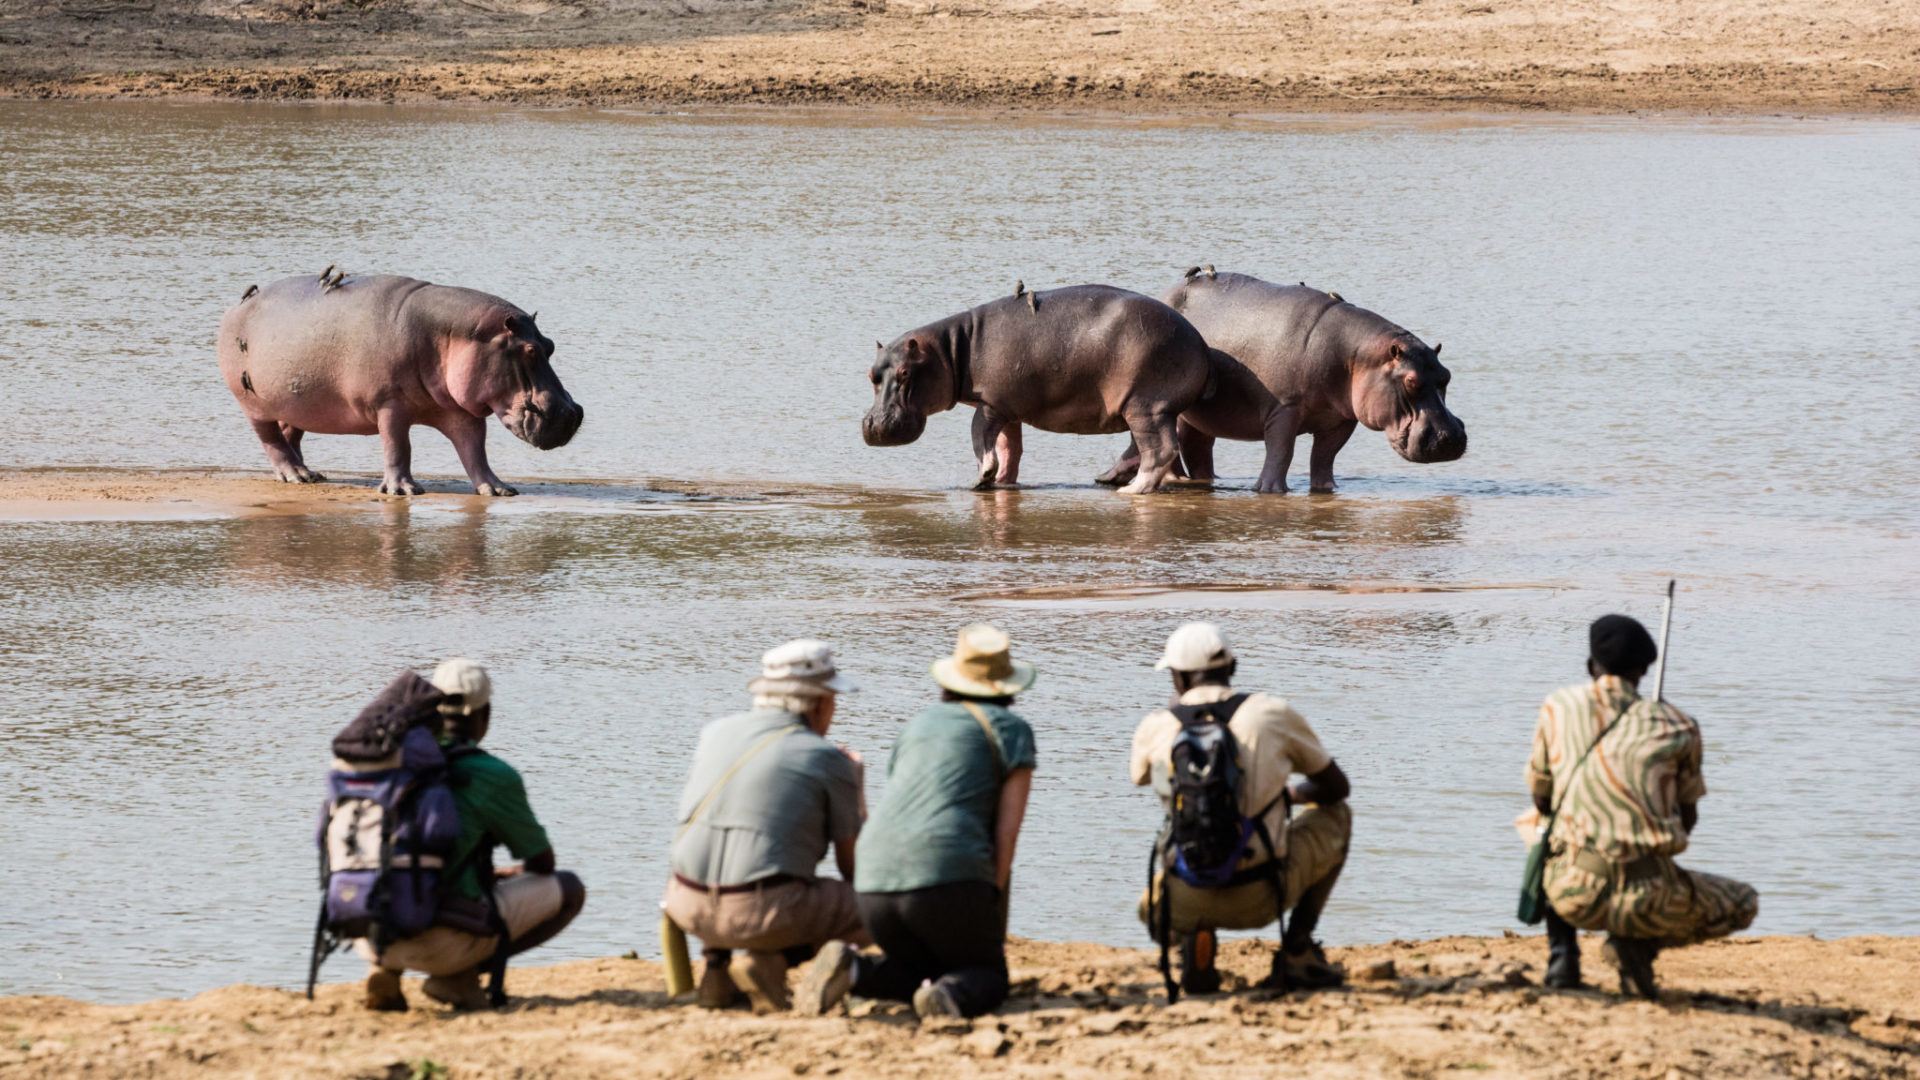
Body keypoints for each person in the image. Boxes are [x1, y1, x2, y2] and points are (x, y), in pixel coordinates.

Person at [797, 624, 1037, 1020]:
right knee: (988, 976)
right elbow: (1006, 834)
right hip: (945, 880)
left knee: (919, 971)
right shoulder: (1012, 730)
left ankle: (856, 970)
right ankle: (951, 995)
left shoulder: (917, 725)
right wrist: (987, 898)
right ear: (1008, 686)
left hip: (873, 884)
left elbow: (904, 808)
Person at [1526, 614, 1757, 998]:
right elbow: (1687, 820)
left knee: (1540, 826)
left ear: (1590, 667)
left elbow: (1541, 798)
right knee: (1743, 903)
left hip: (1573, 892)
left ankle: (1563, 955)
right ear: (1644, 670)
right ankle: (1636, 945)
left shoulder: (1558, 706)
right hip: (1652, 898)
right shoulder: (1679, 724)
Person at [1131, 622, 1352, 994]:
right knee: (1338, 816)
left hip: (1177, 904)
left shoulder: (1156, 726)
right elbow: (1336, 788)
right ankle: (1297, 950)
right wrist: (1290, 796)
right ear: (1232, 668)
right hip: (1263, 896)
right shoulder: (1271, 713)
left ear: (1178, 678)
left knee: (1154, 896)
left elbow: (1138, 776)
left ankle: (1193, 942)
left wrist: (1174, 715)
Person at [359, 658, 587, 1011]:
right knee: (570, 889)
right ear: (485, 715)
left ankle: (384, 968)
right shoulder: (491, 775)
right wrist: (506, 874)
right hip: (440, 942)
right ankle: (456, 977)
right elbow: (542, 863)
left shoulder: (388, 756)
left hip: (365, 929)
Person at [665, 640, 869, 1013]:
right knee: (882, 907)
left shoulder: (715, 732)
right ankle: (771, 963)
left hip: (684, 904)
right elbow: (857, 869)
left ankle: (716, 969)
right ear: (820, 702)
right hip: (758, 913)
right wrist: (856, 792)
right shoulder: (827, 759)